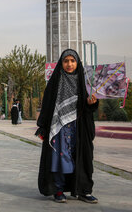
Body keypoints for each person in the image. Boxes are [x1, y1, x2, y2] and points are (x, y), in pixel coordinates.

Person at [35, 49, 99, 204]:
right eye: (66, 61)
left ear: (77, 63)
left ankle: (84, 191)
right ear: (61, 63)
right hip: (59, 128)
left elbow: (88, 108)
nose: (69, 64)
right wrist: (43, 126)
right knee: (59, 158)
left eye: (72, 61)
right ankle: (58, 190)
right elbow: (48, 105)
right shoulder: (55, 81)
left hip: (79, 128)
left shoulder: (84, 81)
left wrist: (92, 103)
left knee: (83, 158)